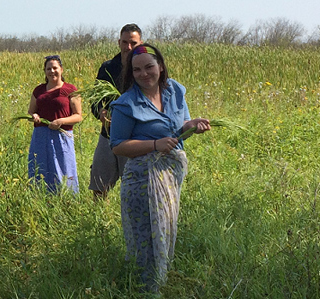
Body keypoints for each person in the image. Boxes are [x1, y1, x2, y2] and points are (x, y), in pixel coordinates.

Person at [109, 44, 211, 293]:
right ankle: (143, 290)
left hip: (170, 178)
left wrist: (192, 124)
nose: (144, 74)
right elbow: (118, 146)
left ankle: (159, 285)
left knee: (164, 230)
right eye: (137, 70)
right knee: (145, 239)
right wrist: (154, 144)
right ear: (131, 74)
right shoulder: (126, 104)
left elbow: (179, 125)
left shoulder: (174, 90)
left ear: (160, 66)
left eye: (149, 67)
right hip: (141, 182)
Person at [88, 23, 143, 200]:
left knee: (135, 184)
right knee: (99, 183)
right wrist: (101, 113)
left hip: (135, 136)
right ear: (119, 42)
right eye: (125, 42)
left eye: (133, 43)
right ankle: (97, 219)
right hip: (108, 133)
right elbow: (95, 100)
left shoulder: (146, 68)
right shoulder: (108, 67)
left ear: (141, 43)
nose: (128, 47)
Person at [27, 55, 82, 194]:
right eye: (48, 69)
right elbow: (31, 110)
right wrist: (35, 116)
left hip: (62, 136)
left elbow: (78, 116)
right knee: (40, 167)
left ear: (61, 69)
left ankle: (67, 198)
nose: (52, 71)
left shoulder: (70, 90)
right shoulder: (39, 90)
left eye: (55, 68)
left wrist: (61, 121)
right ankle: (39, 197)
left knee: (64, 167)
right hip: (40, 136)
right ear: (44, 71)